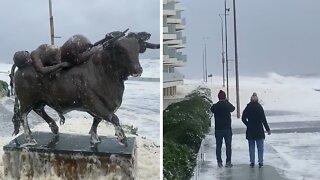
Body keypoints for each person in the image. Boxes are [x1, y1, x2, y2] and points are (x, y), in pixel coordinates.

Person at [241, 92, 271, 168]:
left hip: (250, 130)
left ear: (250, 99)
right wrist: (268, 129)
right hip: (259, 130)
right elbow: (264, 120)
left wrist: (248, 124)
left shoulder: (248, 107)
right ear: (257, 100)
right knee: (260, 147)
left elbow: (243, 118)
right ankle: (260, 162)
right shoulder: (259, 107)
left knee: (251, 147)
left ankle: (252, 162)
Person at [211, 90, 235, 167]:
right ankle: (228, 162)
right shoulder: (227, 105)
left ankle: (219, 162)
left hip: (218, 129)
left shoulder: (215, 106)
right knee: (228, 146)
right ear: (225, 97)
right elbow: (233, 108)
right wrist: (227, 101)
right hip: (227, 129)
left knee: (218, 146)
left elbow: (212, 109)